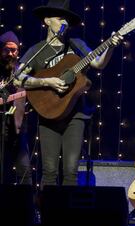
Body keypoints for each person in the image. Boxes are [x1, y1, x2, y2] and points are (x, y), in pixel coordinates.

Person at [14, 0, 123, 188]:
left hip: (75, 114)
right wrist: (48, 82)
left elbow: (98, 63)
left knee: (71, 171)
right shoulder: (37, 50)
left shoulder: (77, 45)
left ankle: (67, 216)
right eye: (59, 18)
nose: (64, 22)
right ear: (47, 21)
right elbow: (17, 78)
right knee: (49, 171)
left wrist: (111, 46)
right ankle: (48, 215)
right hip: (48, 114)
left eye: (66, 19)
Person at [0, 30, 32, 185]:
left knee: (25, 172)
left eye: (14, 50)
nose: (11, 54)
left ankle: (26, 208)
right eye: (7, 50)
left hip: (18, 131)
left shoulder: (21, 72)